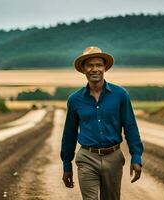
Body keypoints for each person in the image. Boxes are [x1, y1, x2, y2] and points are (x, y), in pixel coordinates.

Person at [60, 46, 144, 200]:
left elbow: (130, 127)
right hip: (87, 157)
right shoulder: (75, 100)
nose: (94, 69)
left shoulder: (120, 95)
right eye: (90, 65)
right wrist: (67, 164)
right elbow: (69, 134)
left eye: (98, 65)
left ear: (105, 68)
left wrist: (136, 156)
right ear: (84, 69)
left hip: (114, 157)